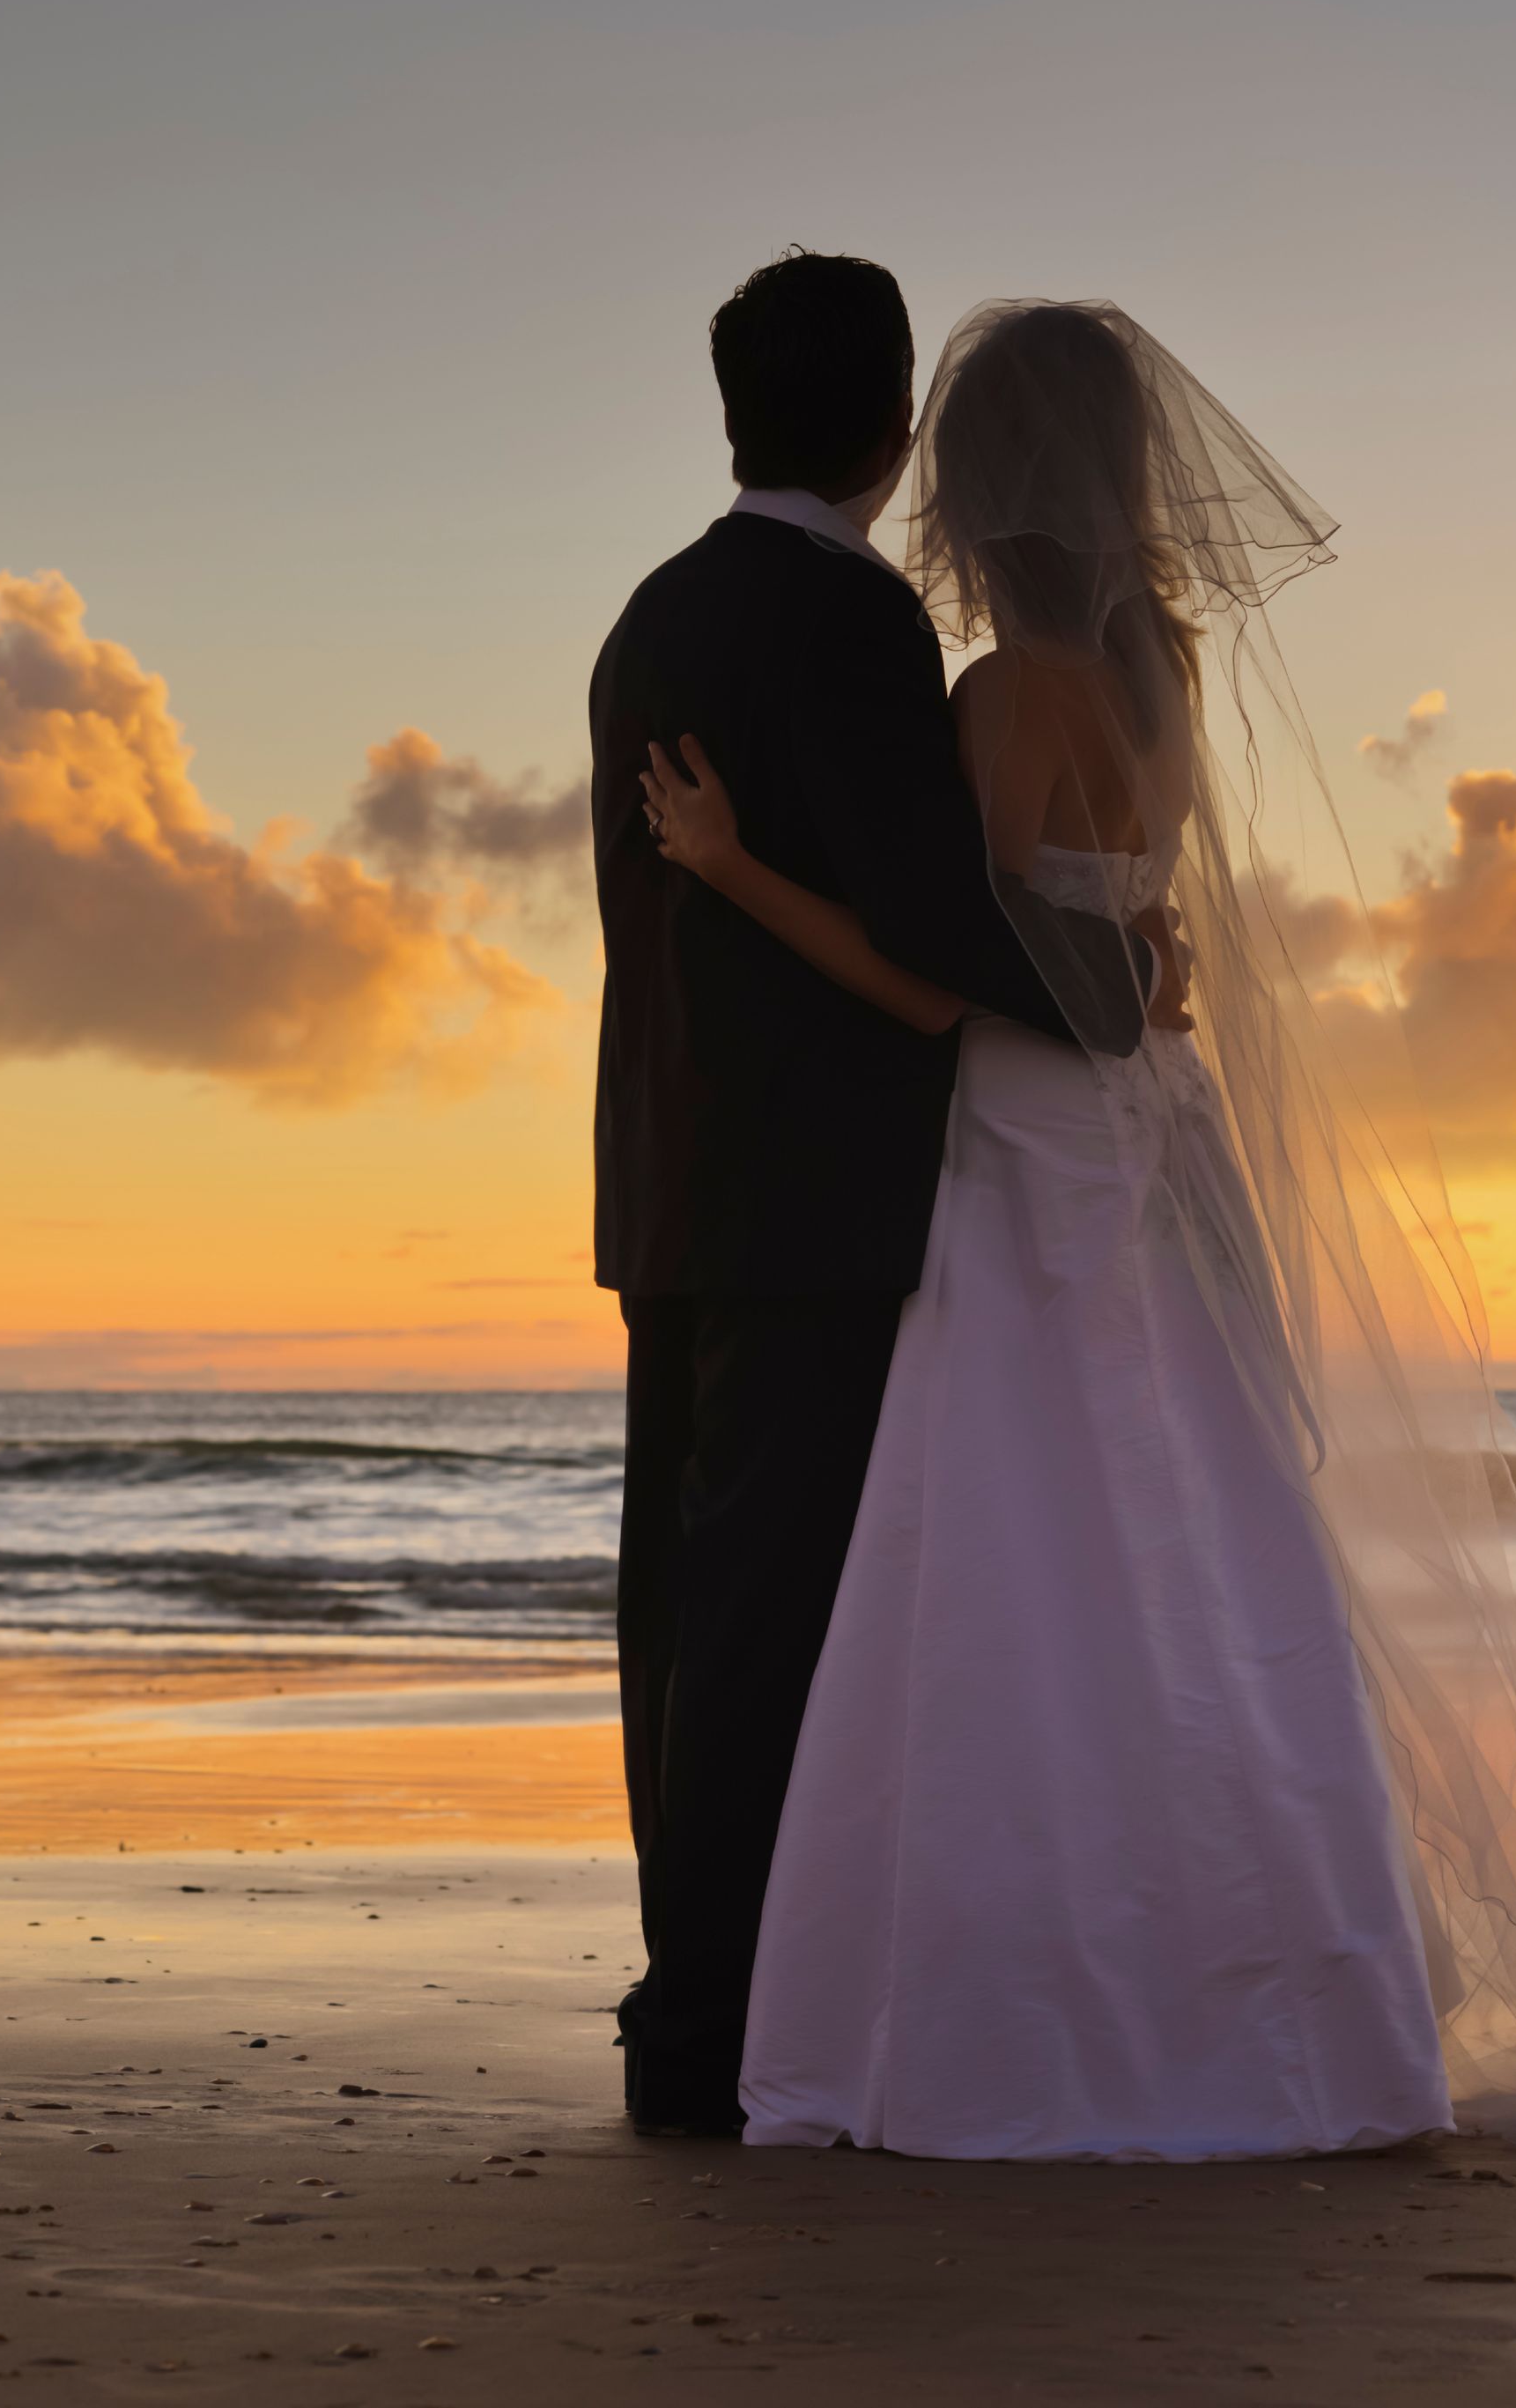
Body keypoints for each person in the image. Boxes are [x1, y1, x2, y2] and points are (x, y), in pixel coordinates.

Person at [630, 297, 1516, 2160]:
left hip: (1034, 1144)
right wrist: (1137, 951)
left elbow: (952, 983)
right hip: (1153, 1137)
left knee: (1020, 1556)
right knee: (1193, 1531)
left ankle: (1018, 1998)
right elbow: (1119, 937)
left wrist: (732, 869)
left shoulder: (1007, 697)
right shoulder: (1162, 670)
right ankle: (1281, 1974)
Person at [580, 250, 1150, 2139]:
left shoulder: (651, 615)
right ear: (893, 430)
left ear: (732, 413)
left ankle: (694, 2002)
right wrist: (1121, 988)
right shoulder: (856, 629)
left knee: (675, 1601)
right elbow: (937, 918)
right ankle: (721, 2022)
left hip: (672, 1188)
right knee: (772, 1617)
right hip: (824, 1205)